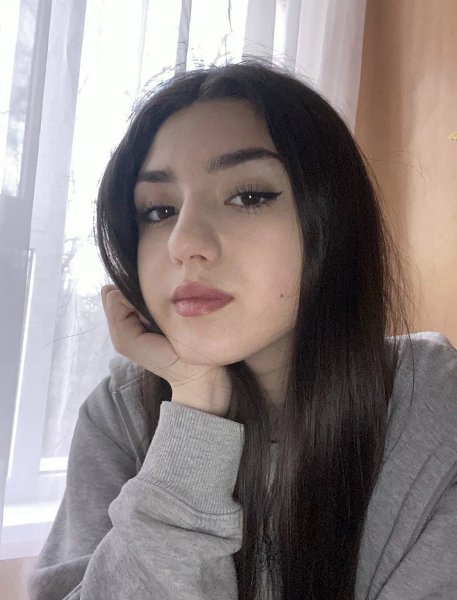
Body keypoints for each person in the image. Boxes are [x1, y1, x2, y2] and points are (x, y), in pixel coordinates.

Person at [28, 60, 457, 600]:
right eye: (158, 210)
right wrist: (193, 415)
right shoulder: (119, 411)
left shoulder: (437, 407)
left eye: (249, 196)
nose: (184, 243)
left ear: (333, 219)